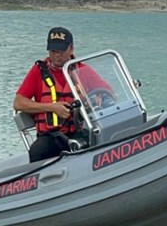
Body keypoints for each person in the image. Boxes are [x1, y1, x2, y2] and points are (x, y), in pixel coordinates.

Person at [13, 26, 109, 162]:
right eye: (53, 51)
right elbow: (18, 103)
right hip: (51, 137)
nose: (57, 55)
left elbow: (109, 93)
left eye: (61, 51)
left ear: (71, 49)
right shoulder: (38, 72)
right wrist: (52, 107)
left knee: (100, 137)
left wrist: (93, 101)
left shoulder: (83, 70)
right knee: (38, 150)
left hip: (80, 131)